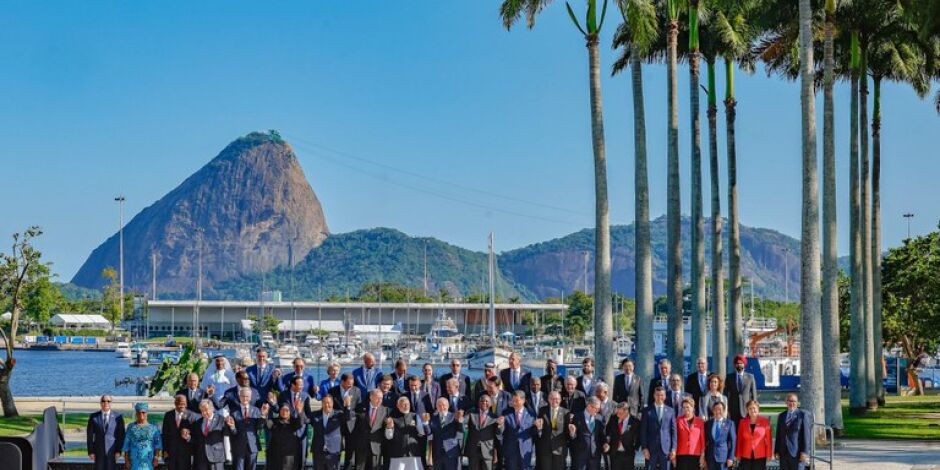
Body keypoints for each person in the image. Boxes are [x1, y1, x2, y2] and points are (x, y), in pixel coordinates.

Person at [227, 389, 267, 470]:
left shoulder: (256, 410)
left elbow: (259, 427)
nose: (245, 398)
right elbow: (233, 432)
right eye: (243, 396)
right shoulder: (233, 412)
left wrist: (262, 415)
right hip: (238, 446)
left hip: (253, 446)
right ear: (239, 397)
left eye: (247, 396)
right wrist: (232, 427)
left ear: (250, 397)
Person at [277, 376, 312, 470]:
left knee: (301, 458)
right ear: (293, 385)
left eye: (302, 384)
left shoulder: (305, 396)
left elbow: (309, 415)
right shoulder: (283, 395)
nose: (301, 386)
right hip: (287, 432)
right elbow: (279, 412)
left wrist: (302, 418)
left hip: (301, 432)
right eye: (299, 385)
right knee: (286, 459)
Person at [640, 387, 677, 470]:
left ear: (665, 396)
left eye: (662, 395)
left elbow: (673, 431)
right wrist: (644, 448)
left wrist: (674, 448)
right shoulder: (646, 411)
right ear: (654, 395)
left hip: (666, 449)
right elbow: (643, 431)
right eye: (657, 395)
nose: (659, 397)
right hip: (650, 449)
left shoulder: (671, 411)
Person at [423, 397, 464, 470]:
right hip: (437, 453)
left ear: (448, 406)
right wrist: (426, 423)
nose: (442, 407)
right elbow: (428, 433)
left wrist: (460, 421)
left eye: (444, 405)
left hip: (451, 452)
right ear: (436, 407)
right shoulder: (433, 418)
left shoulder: (454, 416)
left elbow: (461, 430)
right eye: (439, 405)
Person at [500, 391, 537, 470]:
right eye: (513, 400)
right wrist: (500, 425)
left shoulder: (531, 414)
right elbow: (501, 432)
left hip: (525, 449)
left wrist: (538, 427)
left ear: (523, 401)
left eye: (516, 401)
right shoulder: (506, 413)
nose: (514, 403)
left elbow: (533, 432)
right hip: (510, 449)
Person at [353, 389, 390, 470]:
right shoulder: (360, 407)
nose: (380, 400)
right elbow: (355, 426)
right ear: (371, 397)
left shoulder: (385, 410)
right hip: (361, 446)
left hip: (376, 447)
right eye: (378, 398)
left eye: (381, 398)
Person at [187, 399, 228, 470]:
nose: (204, 413)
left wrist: (232, 427)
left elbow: (228, 436)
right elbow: (197, 440)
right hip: (201, 458)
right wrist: (188, 437)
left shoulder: (221, 420)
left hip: (216, 457)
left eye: (206, 410)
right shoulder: (198, 422)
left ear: (212, 408)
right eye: (202, 411)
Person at [87, 394, 126, 470]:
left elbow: (121, 435)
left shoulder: (118, 417)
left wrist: (119, 451)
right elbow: (89, 436)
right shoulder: (93, 417)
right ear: (100, 403)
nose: (106, 403)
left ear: (111, 403)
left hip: (112, 452)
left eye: (108, 401)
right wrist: (90, 451)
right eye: (103, 401)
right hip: (98, 452)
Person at [774, 394, 811, 470]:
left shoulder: (802, 415)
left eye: (794, 401)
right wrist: (776, 450)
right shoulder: (781, 416)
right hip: (783, 452)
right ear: (786, 402)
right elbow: (778, 435)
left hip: (797, 453)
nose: (792, 403)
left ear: (797, 403)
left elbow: (806, 435)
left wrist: (804, 452)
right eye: (789, 401)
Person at [567, 396, 605, 470]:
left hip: (594, 456)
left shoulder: (599, 418)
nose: (597, 411)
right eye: (596, 408)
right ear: (589, 406)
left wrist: (605, 443)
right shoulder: (577, 417)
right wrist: (572, 433)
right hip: (579, 456)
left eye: (598, 409)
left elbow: (601, 435)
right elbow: (572, 437)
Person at [535, 391, 570, 470]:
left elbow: (567, 432)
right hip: (545, 449)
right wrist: (538, 427)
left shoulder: (566, 412)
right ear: (548, 400)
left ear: (560, 400)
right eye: (552, 399)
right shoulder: (542, 410)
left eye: (557, 399)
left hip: (559, 449)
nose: (554, 401)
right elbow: (539, 427)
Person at [310, 395, 346, 470]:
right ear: (322, 403)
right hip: (318, 452)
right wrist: (299, 412)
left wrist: (347, 407)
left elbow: (348, 417)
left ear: (332, 403)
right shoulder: (315, 414)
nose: (327, 405)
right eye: (325, 403)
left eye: (329, 403)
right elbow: (304, 420)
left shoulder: (339, 414)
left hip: (333, 452)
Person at [122, 402, 161, 470]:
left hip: (148, 460)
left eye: (143, 412)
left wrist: (156, 457)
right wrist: (126, 460)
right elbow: (127, 444)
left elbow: (157, 444)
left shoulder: (154, 426)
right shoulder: (131, 426)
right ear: (136, 413)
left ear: (147, 413)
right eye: (139, 412)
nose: (141, 414)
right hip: (134, 461)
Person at [164, 394, 198, 470]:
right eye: (180, 403)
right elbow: (165, 434)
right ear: (175, 403)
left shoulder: (192, 415)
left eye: (184, 403)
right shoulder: (168, 415)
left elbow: (196, 435)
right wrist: (165, 450)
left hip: (186, 453)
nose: (182, 406)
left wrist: (188, 437)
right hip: (171, 453)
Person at [265, 404, 305, 470]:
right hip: (275, 455)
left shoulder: (293, 422)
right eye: (282, 410)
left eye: (287, 410)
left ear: (290, 412)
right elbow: (266, 425)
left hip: (289, 456)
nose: (284, 412)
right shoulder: (274, 421)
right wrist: (264, 414)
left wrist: (300, 412)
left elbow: (300, 423)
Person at [466, 395, 500, 470]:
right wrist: (460, 420)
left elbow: (498, 434)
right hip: (473, 450)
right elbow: (463, 424)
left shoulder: (494, 417)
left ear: (490, 404)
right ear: (478, 403)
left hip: (488, 450)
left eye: (486, 401)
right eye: (482, 401)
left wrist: (500, 425)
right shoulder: (471, 414)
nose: (484, 403)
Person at [736, 400, 772, 470]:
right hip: (745, 455)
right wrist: (738, 454)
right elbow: (739, 439)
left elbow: (768, 440)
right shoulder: (742, 422)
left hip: (760, 455)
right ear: (747, 410)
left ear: (758, 409)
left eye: (754, 408)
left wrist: (769, 455)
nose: (752, 410)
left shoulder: (765, 422)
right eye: (750, 408)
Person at [605, 402, 640, 470]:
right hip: (615, 453)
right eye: (617, 412)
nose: (617, 415)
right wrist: (607, 442)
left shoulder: (635, 421)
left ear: (626, 411)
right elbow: (608, 432)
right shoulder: (613, 418)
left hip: (628, 453)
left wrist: (636, 448)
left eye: (620, 413)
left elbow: (639, 437)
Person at [724, 355, 757, 423]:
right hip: (733, 410)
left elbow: (754, 394)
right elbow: (725, 394)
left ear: (744, 364)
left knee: (745, 431)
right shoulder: (729, 377)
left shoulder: (750, 377)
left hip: (746, 409)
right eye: (737, 363)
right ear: (735, 365)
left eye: (741, 363)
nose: (739, 365)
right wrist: (726, 409)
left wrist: (754, 409)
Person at [703, 401, 736, 470]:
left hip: (723, 458)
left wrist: (731, 457)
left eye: (720, 409)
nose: (717, 411)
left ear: (724, 411)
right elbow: (705, 441)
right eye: (715, 409)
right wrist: (704, 457)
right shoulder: (708, 423)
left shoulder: (729, 423)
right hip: (710, 457)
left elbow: (733, 441)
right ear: (713, 411)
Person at [674, 398, 705, 470]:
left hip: (695, 454)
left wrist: (702, 455)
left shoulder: (700, 421)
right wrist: (674, 455)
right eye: (684, 407)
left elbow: (702, 440)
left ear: (693, 407)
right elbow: (675, 438)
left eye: (687, 407)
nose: (685, 409)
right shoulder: (678, 420)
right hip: (681, 454)